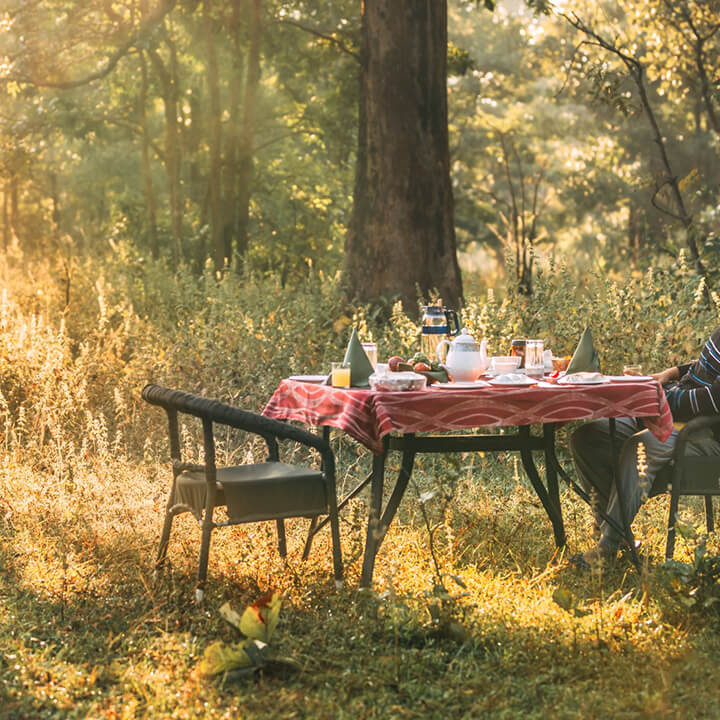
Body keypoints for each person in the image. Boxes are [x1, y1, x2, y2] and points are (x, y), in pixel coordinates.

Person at [570, 328, 720, 567]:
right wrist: (668, 375)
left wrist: (652, 398)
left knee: (639, 447)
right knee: (589, 438)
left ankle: (606, 549)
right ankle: (617, 535)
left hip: (706, 434)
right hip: (677, 419)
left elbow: (713, 400)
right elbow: (704, 365)